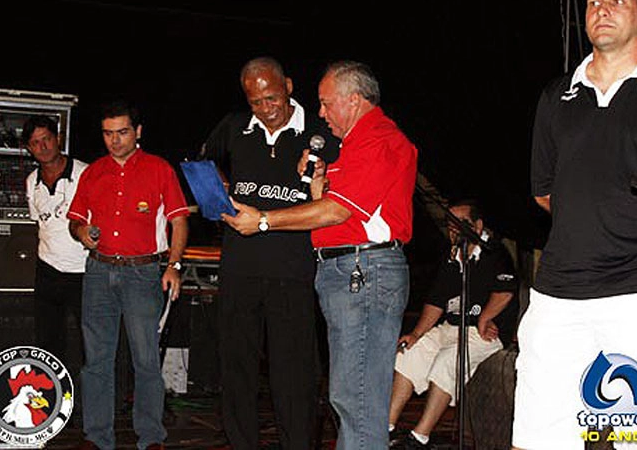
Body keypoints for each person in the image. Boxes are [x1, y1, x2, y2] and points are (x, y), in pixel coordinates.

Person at [223, 60, 418, 449]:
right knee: (348, 397)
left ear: (355, 100)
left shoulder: (378, 139)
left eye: (327, 104)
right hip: (346, 271)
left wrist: (262, 220)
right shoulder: (351, 146)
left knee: (358, 400)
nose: (322, 114)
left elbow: (336, 211)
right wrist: (317, 180)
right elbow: (330, 207)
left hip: (365, 269)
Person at [513, 0, 637, 450]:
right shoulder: (557, 96)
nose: (601, 10)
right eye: (594, 2)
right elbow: (545, 192)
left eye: (617, 1)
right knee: (539, 433)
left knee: (634, 438)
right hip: (557, 293)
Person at [200, 56, 337, 449]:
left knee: (294, 375)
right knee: (237, 369)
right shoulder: (234, 126)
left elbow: (337, 197)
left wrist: (323, 174)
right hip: (240, 266)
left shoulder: (319, 130)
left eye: (272, 98)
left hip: (293, 270)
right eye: (256, 101)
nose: (265, 108)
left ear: (289, 86)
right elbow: (202, 163)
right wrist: (218, 193)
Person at [67, 100, 189, 450]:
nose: (114, 140)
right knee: (97, 361)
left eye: (122, 132)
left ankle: (151, 437)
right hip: (98, 272)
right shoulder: (94, 172)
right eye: (108, 133)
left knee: (146, 359)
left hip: (143, 273)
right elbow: (76, 220)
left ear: (138, 132)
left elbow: (179, 219)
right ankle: (97, 436)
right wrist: (82, 231)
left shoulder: (159, 169)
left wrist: (174, 265)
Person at [387, 201, 517, 449]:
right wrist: (416, 333)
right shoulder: (452, 258)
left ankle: (420, 436)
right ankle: (386, 427)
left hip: (483, 333)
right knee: (411, 352)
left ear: (477, 226)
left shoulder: (494, 252)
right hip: (451, 327)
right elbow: (436, 301)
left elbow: (505, 290)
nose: (455, 230)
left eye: (462, 224)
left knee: (448, 361)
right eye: (451, 225)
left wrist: (484, 318)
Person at [23, 114, 88, 366]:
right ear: (29, 148)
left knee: (90, 341)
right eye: (35, 142)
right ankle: (52, 399)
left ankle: (91, 402)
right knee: (48, 341)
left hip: (84, 271)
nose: (43, 147)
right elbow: (40, 223)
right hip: (48, 270)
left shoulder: (86, 173)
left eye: (47, 139)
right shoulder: (32, 182)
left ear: (58, 139)